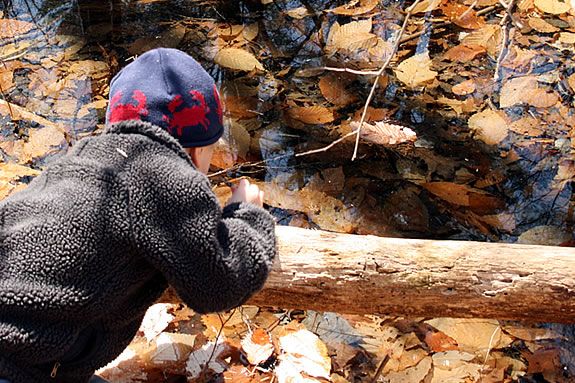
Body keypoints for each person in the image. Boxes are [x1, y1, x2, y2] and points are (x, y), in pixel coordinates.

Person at [0, 48, 276, 383]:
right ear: (197, 149)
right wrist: (247, 215)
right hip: (20, 366)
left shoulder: (77, 161)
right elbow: (220, 283)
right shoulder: (168, 177)